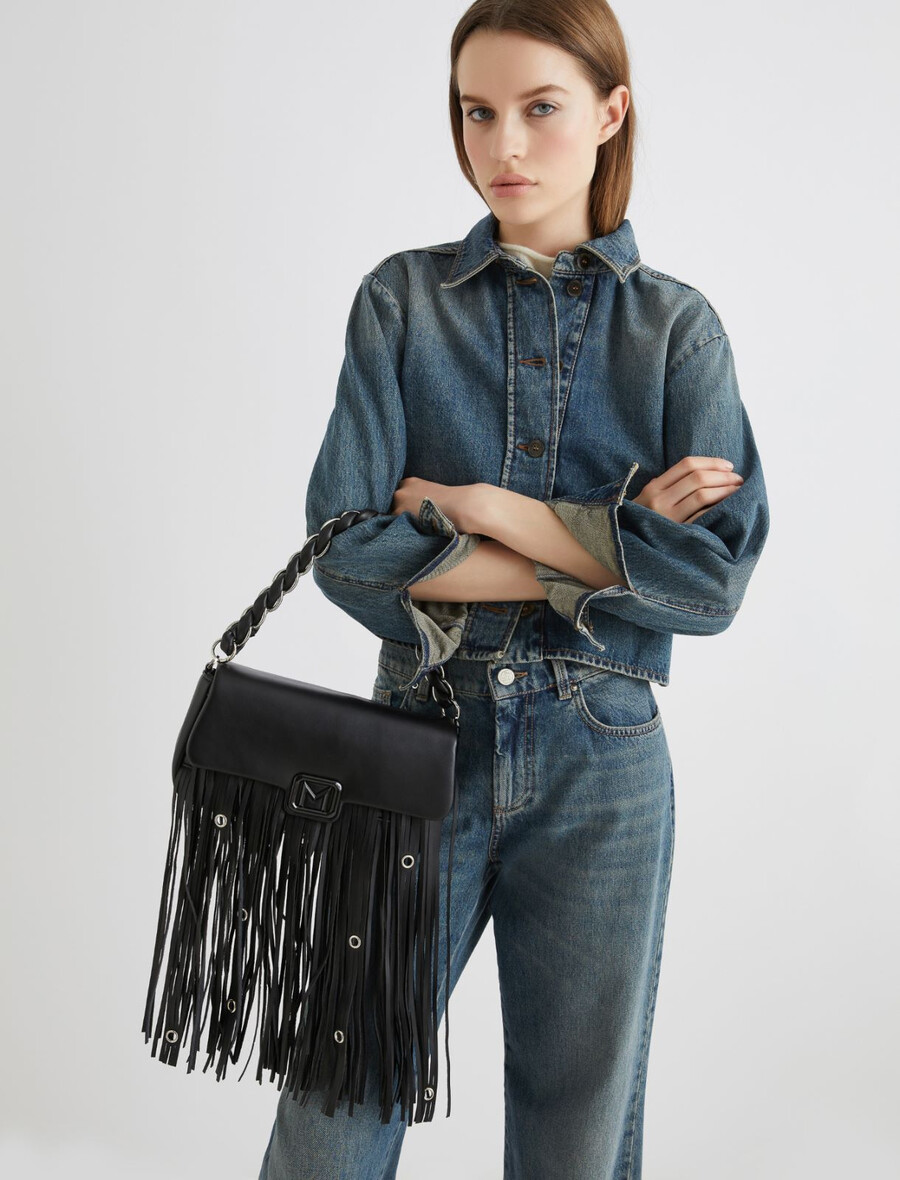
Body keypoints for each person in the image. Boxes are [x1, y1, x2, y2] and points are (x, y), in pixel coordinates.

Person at [259, 1, 769, 1176]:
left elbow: (711, 583)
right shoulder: (401, 302)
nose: (505, 146)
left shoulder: (678, 332)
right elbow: (344, 549)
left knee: (574, 1134)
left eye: (541, 108)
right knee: (332, 1116)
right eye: (477, 111)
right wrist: (610, 546)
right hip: (413, 743)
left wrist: (488, 509)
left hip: (604, 766)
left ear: (611, 111)